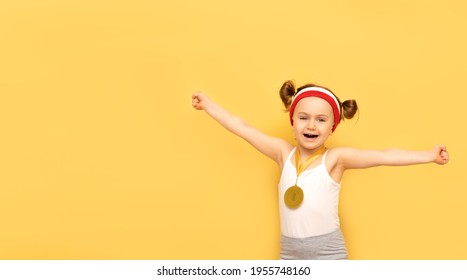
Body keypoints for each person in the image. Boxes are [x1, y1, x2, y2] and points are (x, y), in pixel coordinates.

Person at [191, 80, 449, 260]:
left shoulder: (335, 159)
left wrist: (428, 156)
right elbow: (242, 128)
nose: (311, 125)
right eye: (303, 117)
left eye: (321, 120)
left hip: (329, 253)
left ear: (332, 127)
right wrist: (209, 106)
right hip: (290, 253)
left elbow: (383, 156)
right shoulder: (283, 154)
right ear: (292, 121)